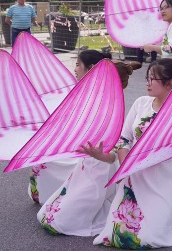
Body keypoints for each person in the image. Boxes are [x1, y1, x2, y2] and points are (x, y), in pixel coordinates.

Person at [92, 58, 172, 248]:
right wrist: (125, 167)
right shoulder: (141, 103)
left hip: (163, 178)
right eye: (148, 78)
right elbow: (125, 138)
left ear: (169, 83)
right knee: (115, 235)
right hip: (134, 174)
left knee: (148, 238)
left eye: (153, 79)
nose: (147, 82)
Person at [36, 50, 138, 237]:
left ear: (91, 69)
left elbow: (113, 148)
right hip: (87, 161)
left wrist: (99, 155)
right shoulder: (92, 97)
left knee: (57, 221)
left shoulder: (108, 103)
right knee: (48, 216)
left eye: (77, 64)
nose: (74, 69)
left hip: (100, 165)